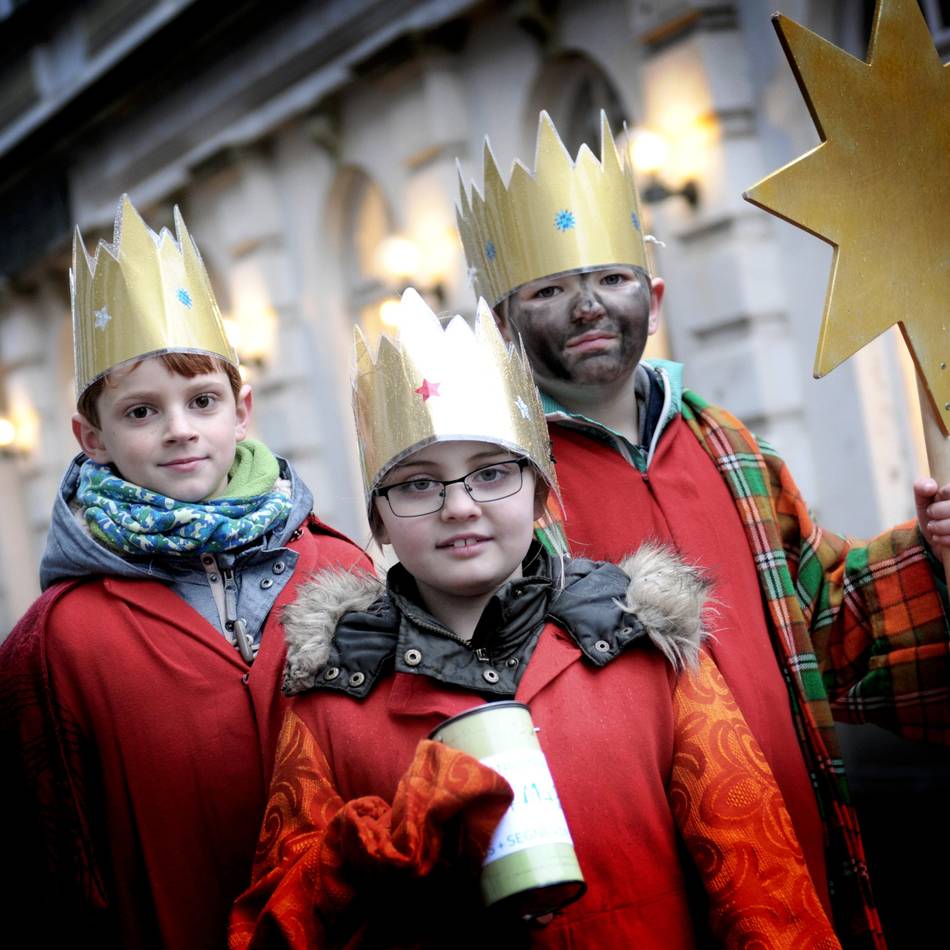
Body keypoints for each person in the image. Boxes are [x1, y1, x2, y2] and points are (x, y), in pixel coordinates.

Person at [456, 111, 950, 948]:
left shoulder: (731, 444)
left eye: (610, 279)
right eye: (546, 291)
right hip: (638, 882)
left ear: (651, 297)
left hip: (801, 845)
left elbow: (829, 621)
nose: (585, 307)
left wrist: (933, 555)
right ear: (503, 325)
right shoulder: (495, 488)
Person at [228, 288, 840, 948]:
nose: (459, 507)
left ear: (541, 493)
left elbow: (765, 892)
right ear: (376, 520)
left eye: (491, 475)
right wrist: (370, 845)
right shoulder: (333, 700)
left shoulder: (643, 649)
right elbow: (277, 929)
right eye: (417, 484)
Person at [0, 196, 369, 949]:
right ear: (90, 437)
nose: (179, 429)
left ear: (243, 411)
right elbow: (49, 870)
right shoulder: (57, 641)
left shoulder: (340, 567)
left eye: (202, 400)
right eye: (140, 412)